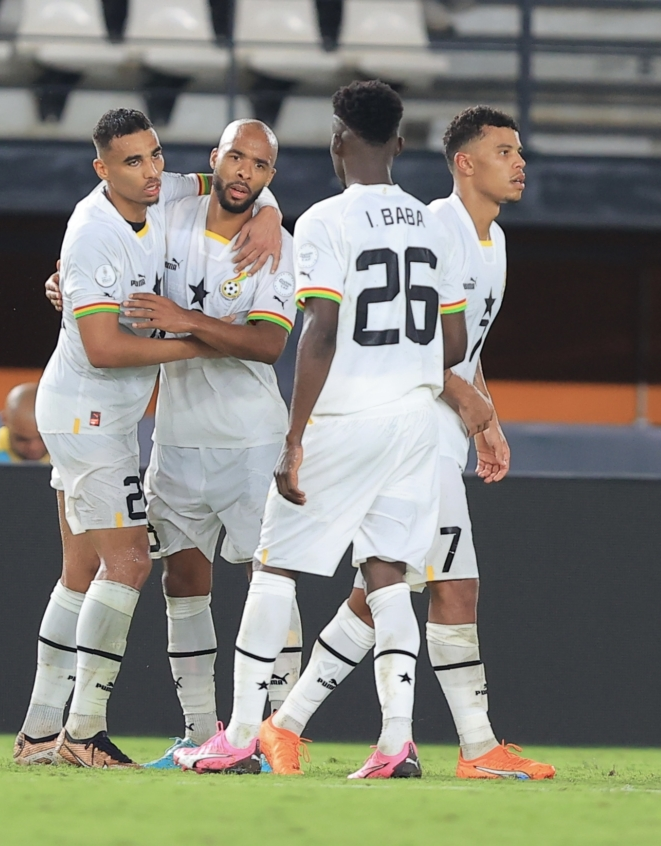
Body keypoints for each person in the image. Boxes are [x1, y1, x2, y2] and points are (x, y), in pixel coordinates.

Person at [175, 80, 468, 779]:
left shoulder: (326, 221)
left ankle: (240, 736)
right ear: (399, 144)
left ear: (338, 141)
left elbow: (322, 331)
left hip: (347, 417)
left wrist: (295, 437)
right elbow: (454, 343)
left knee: (274, 565)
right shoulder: (436, 225)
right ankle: (396, 742)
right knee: (387, 574)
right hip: (416, 419)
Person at [258, 106, 556, 781]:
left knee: (386, 590)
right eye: (504, 151)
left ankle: (286, 725)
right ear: (464, 163)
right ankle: (474, 747)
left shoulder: (494, 241)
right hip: (411, 431)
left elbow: (464, 348)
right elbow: (404, 341)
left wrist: (486, 418)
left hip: (439, 434)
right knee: (450, 586)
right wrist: (465, 401)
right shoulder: (436, 226)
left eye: (519, 151)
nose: (519, 163)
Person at [13, 108, 283, 769]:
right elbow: (104, 349)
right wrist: (195, 339)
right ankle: (84, 732)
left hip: (98, 415)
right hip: (89, 417)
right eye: (133, 161)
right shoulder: (95, 232)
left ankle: (39, 732)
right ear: (103, 169)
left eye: (155, 154)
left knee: (80, 571)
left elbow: (231, 179)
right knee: (131, 562)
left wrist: (271, 213)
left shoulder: (162, 195)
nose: (152, 169)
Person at [120, 119, 301, 768]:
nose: (245, 172)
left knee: (269, 578)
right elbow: (117, 220)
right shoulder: (170, 212)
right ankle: (200, 732)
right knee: (182, 580)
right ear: (214, 159)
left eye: (260, 165)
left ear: (270, 176)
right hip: (176, 437)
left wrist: (184, 321)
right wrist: (70, 279)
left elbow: (268, 343)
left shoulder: (278, 244)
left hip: (250, 440)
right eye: (236, 158)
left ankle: (279, 734)